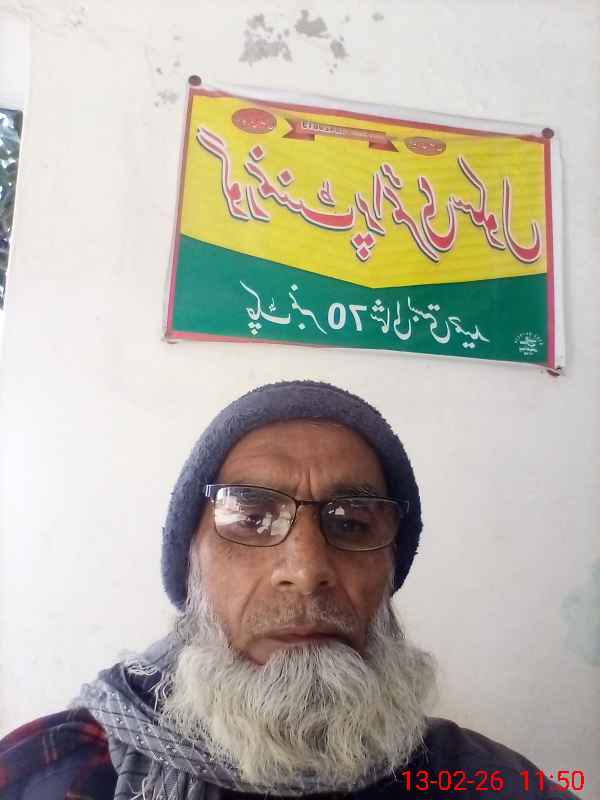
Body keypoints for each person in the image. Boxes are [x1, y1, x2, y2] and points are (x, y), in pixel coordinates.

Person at [0, 381, 578, 799]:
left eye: (351, 522)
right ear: (190, 563)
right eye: (251, 518)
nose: (305, 570)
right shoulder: (47, 771)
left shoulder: (483, 781)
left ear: (390, 573)